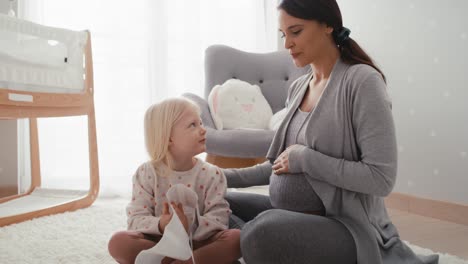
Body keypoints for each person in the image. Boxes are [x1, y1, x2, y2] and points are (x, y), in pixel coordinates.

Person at [223, 0, 439, 263]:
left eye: (296, 31)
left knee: (261, 232)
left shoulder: (361, 82)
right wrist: (220, 177)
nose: (286, 44)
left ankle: (244, 244)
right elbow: (281, 164)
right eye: (283, 35)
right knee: (218, 202)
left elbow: (381, 178)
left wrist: (306, 159)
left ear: (327, 25)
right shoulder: (299, 87)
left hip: (346, 225)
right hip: (289, 212)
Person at [108, 98, 241, 264]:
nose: (203, 130)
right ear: (169, 138)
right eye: (193, 125)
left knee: (237, 238)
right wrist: (163, 225)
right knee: (118, 242)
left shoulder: (213, 174)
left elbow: (219, 219)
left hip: (199, 244)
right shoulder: (146, 173)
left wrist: (188, 227)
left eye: (201, 123)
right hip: (159, 242)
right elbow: (135, 220)